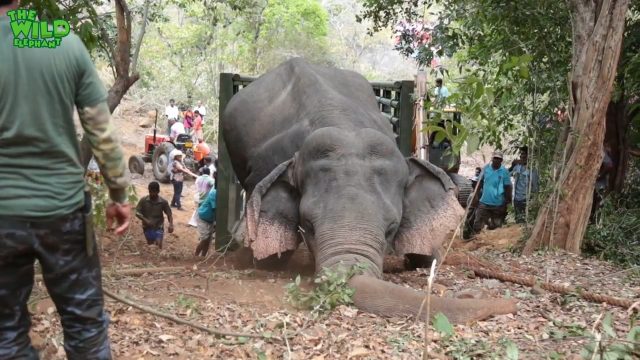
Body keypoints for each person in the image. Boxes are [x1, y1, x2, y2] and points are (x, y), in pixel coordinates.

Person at [0, 1, 131, 358]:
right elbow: (100, 131)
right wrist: (119, 193)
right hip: (64, 213)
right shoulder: (64, 44)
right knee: (86, 328)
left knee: (4, 335)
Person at [470, 151, 513, 235]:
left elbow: (508, 187)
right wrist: (475, 196)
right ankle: (474, 240)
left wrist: (508, 202)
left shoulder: (504, 171)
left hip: (498, 204)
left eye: (499, 159)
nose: (497, 160)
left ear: (501, 160)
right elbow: (479, 183)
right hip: (484, 202)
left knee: (496, 227)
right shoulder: (485, 169)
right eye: (495, 158)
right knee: (477, 225)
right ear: (492, 159)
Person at [136, 181, 174, 248]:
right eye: (150, 192)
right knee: (151, 246)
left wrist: (171, 224)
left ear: (158, 191)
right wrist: (145, 220)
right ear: (148, 190)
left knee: (158, 245)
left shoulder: (163, 202)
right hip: (147, 227)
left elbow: (169, 214)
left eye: (154, 192)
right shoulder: (143, 200)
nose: (152, 194)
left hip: (159, 226)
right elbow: (137, 212)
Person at [509, 147, 539, 223]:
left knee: (526, 221)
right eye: (521, 154)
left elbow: (535, 187)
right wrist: (512, 166)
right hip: (516, 199)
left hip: (526, 199)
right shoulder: (517, 167)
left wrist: (533, 199)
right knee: (518, 220)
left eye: (524, 154)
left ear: (528, 156)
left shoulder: (532, 170)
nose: (522, 156)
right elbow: (507, 175)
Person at [194, 186, 217, 257]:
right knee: (205, 238)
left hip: (209, 219)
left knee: (208, 240)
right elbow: (214, 208)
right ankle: (196, 255)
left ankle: (203, 256)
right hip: (202, 217)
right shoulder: (214, 193)